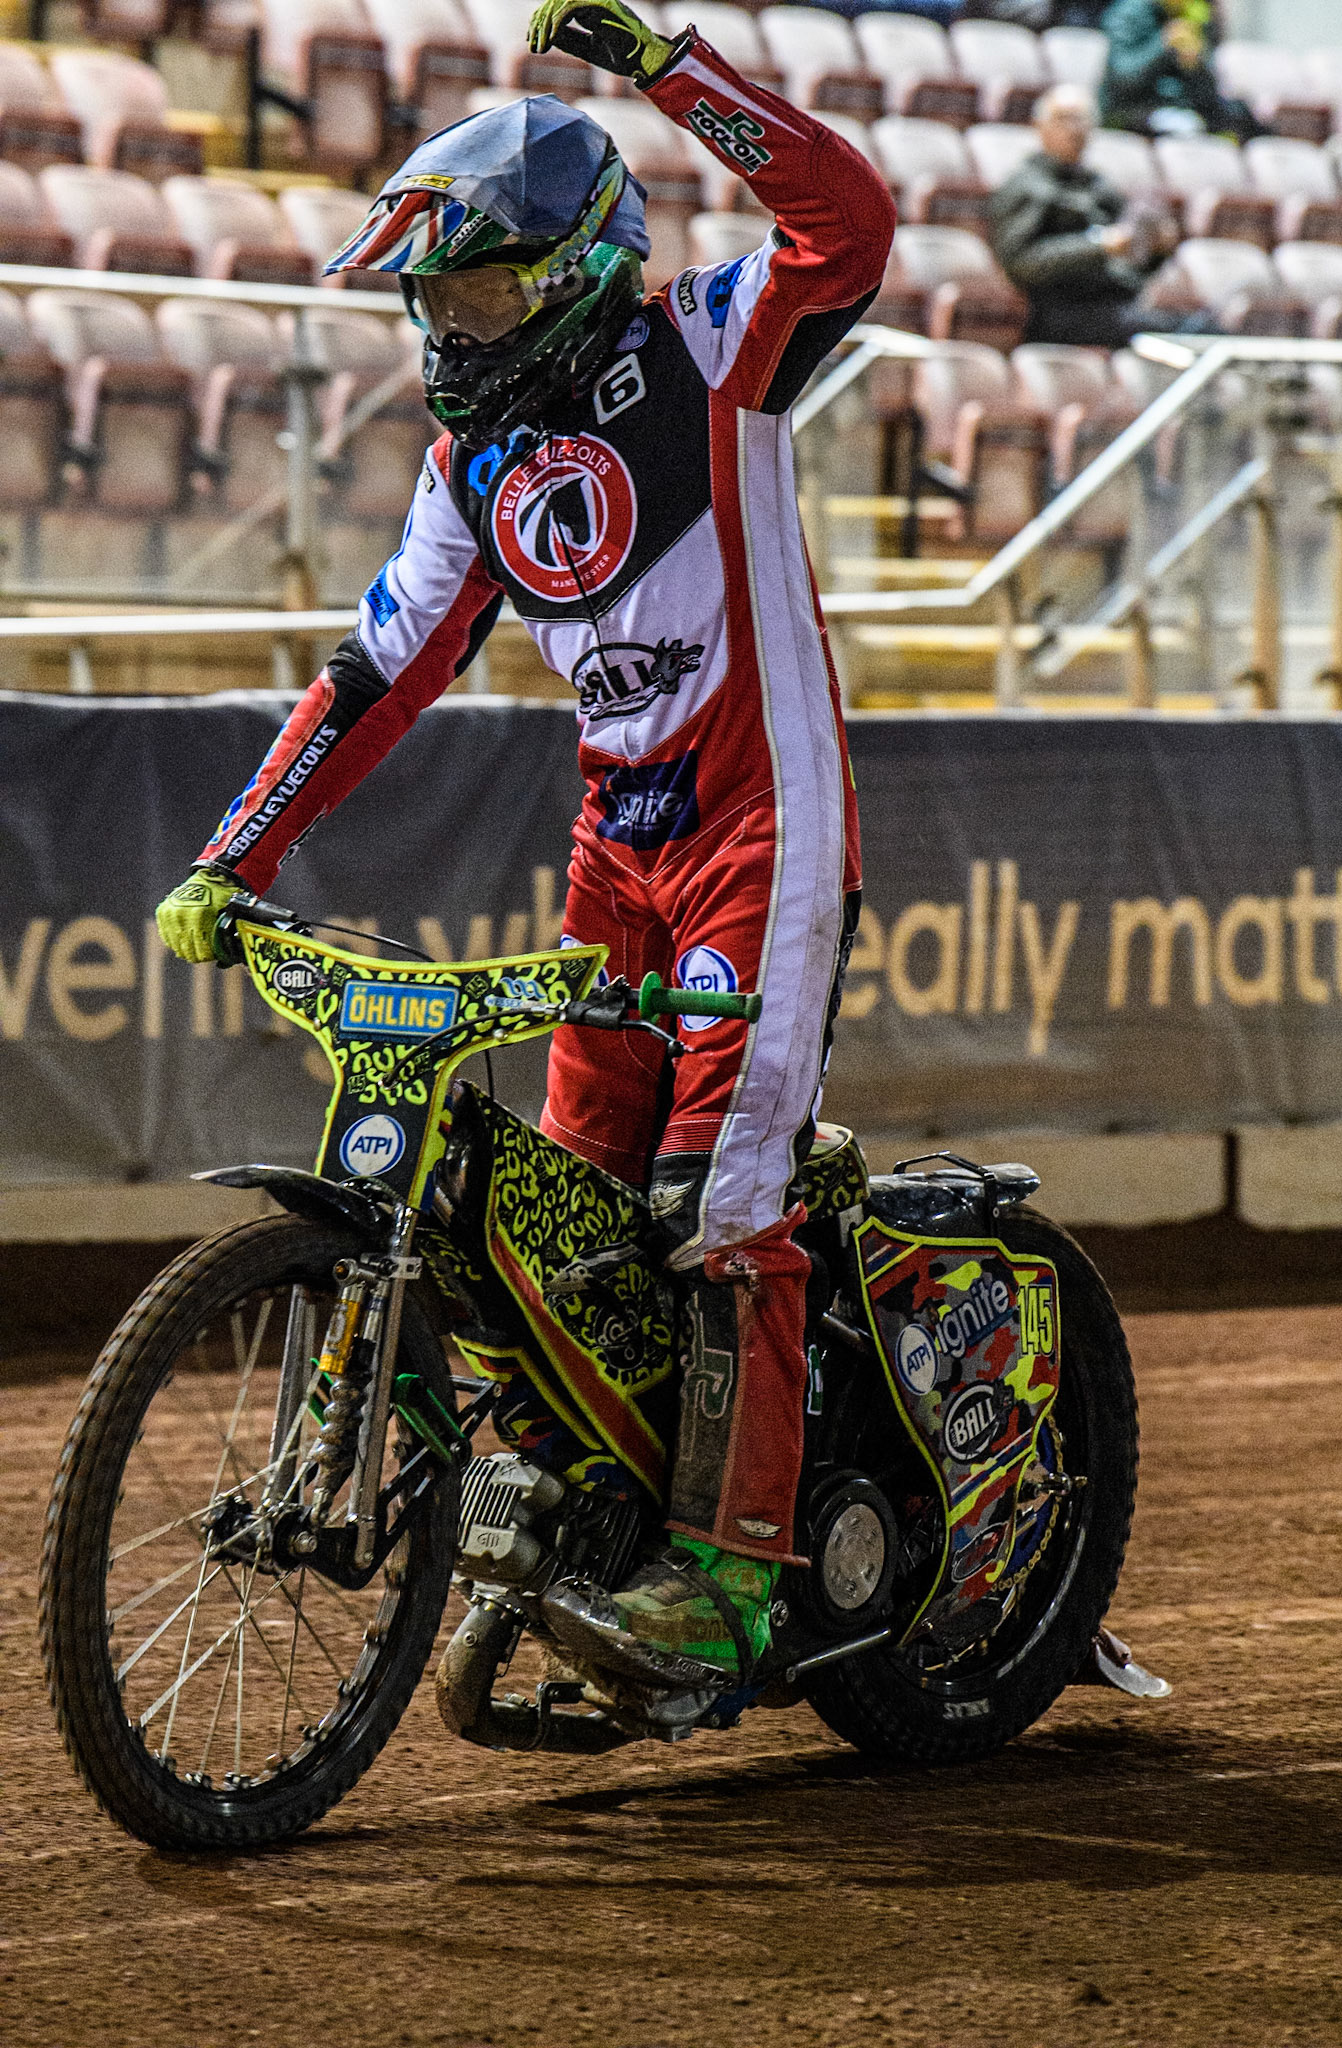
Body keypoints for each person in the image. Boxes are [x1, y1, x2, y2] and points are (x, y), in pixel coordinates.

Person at [154, 0, 896, 1699]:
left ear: (568, 272)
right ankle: (584, 1507)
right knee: (563, 1220)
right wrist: (236, 851)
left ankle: (735, 1576)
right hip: (614, 853)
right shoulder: (470, 460)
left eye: (475, 290)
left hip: (760, 830)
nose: (449, 325)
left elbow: (852, 227)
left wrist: (670, 74)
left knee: (721, 1208)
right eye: (434, 298)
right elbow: (381, 669)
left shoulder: (714, 342)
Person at [991, 82, 1182, 347]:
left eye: (1082, 119)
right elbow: (1019, 263)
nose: (1074, 128)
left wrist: (1156, 249)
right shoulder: (1027, 185)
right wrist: (1098, 245)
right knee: (1189, 333)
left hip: (1113, 306)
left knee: (1202, 328)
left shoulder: (1099, 186)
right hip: (1060, 312)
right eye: (1064, 119)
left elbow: (1131, 268)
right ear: (1039, 126)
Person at [1098, 0, 1260, 140]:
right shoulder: (1128, 14)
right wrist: (1163, 45)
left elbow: (1209, 96)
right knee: (1185, 127)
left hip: (1182, 108)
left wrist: (1195, 66)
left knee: (1242, 117)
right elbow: (1123, 80)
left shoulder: (1195, 15)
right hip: (1133, 111)